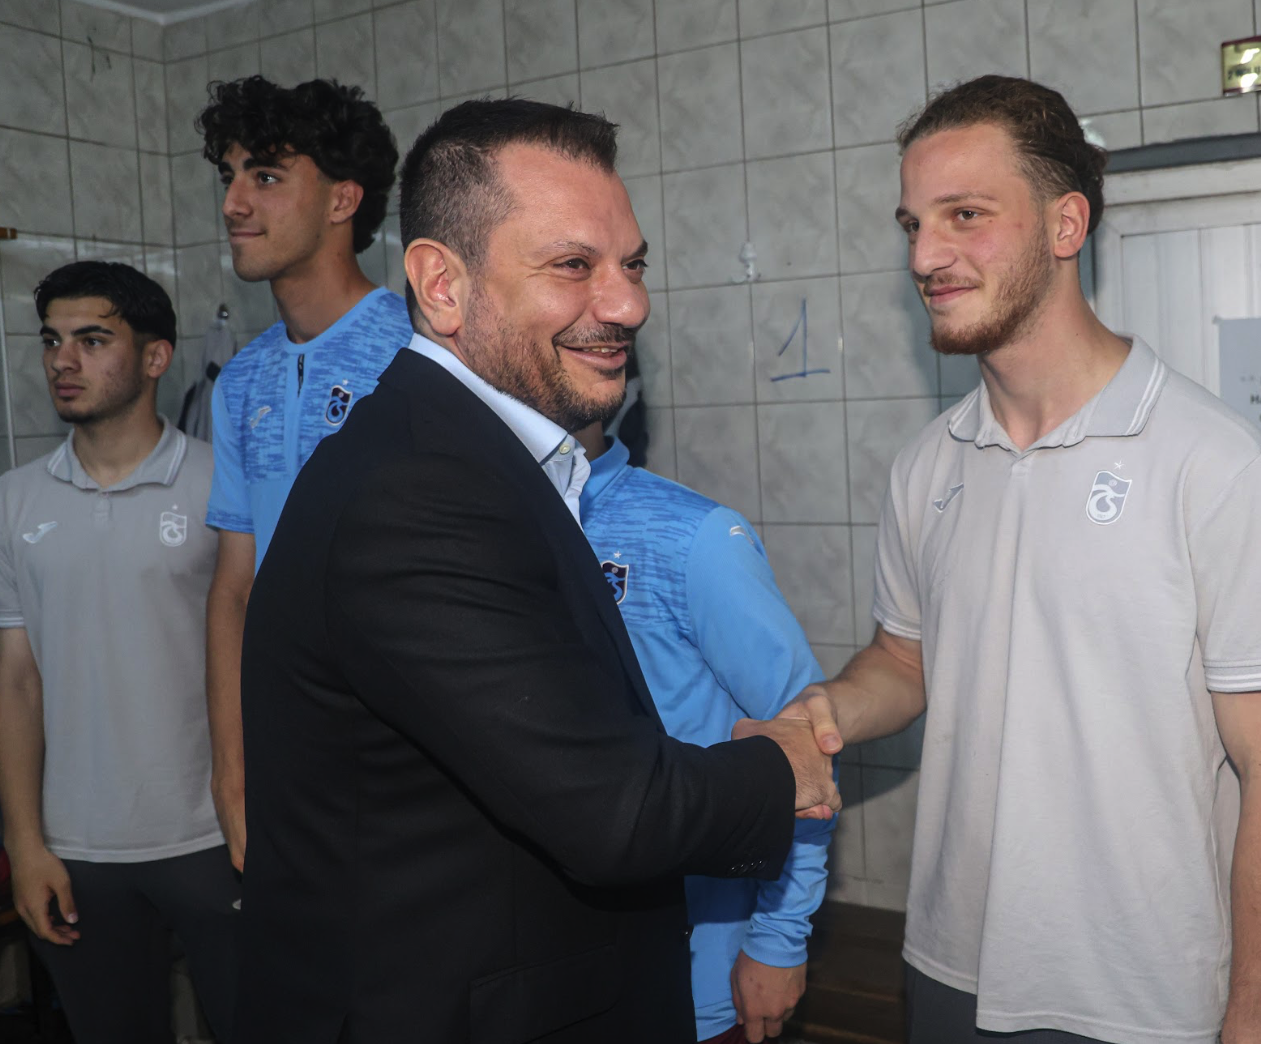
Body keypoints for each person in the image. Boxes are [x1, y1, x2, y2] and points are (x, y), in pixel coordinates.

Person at [233, 97, 839, 1044]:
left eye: (632, 265)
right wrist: (779, 764)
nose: (628, 304)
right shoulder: (418, 491)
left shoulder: (476, 459)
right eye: (573, 266)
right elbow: (613, 812)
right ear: (442, 285)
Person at [780, 75, 1261, 1044]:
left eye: (965, 215)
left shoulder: (1213, 462)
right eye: (913, 224)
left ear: (1065, 223)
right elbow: (905, 661)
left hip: (1138, 992)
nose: (925, 256)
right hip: (947, 964)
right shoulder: (928, 464)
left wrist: (1257, 1017)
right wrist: (824, 709)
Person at [0, 262, 238, 1042]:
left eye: (93, 340)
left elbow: (262, 663)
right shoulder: (14, 502)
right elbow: (15, 683)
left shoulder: (221, 486)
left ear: (155, 357)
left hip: (215, 837)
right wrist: (24, 844)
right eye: (52, 341)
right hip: (77, 853)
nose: (63, 361)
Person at [197, 76, 413, 872]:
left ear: (341, 199)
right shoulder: (240, 382)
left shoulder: (419, 355)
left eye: (265, 175)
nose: (233, 204)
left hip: (407, 753)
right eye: (230, 177)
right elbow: (234, 589)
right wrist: (232, 774)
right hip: (288, 750)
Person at [576, 421, 834, 1044]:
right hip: (547, 973)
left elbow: (807, 747)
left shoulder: (696, 537)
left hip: (693, 980)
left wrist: (778, 940)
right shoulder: (470, 520)